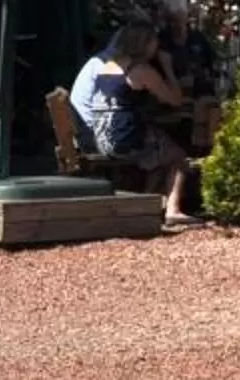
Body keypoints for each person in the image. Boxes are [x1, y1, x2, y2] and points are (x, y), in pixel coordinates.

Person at [71, 22, 201, 227]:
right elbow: (174, 99)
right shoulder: (140, 70)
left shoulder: (109, 65)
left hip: (101, 135)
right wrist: (167, 67)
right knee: (178, 157)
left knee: (159, 156)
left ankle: (146, 208)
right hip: (123, 137)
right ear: (145, 44)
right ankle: (173, 210)